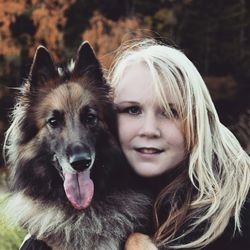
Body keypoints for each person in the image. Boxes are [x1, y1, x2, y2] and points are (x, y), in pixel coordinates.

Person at [107, 38, 250, 249]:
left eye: (170, 112)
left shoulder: (239, 216)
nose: (149, 129)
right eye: (132, 110)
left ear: (197, 120)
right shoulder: (80, 202)